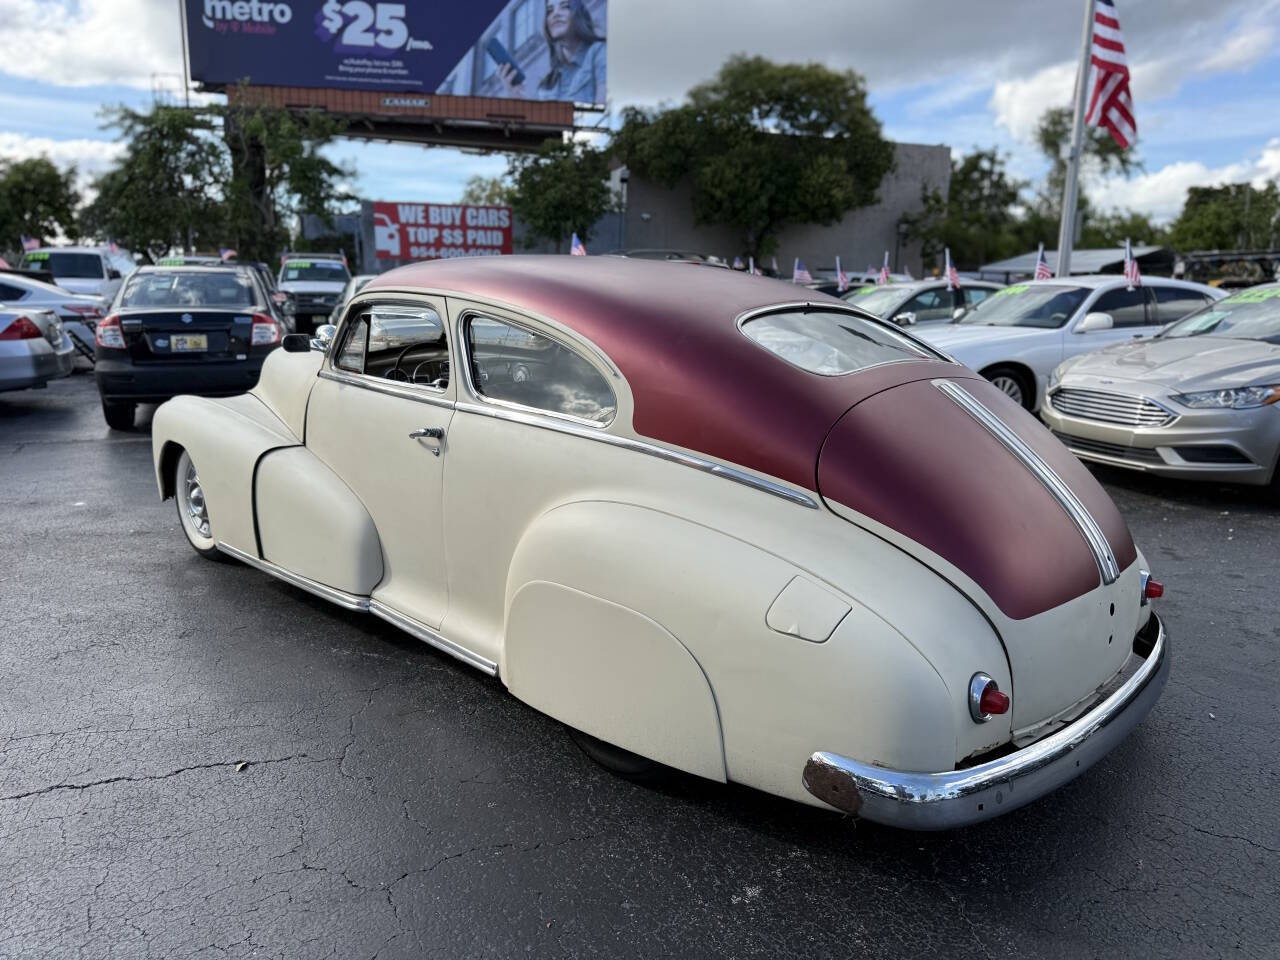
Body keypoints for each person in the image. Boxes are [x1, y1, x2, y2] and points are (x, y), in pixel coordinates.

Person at [496, 0, 605, 104]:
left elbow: (603, 112)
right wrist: (517, 98)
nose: (555, 14)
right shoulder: (547, 84)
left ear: (578, 14)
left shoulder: (599, 52)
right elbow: (541, 122)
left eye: (564, 6)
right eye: (550, 11)